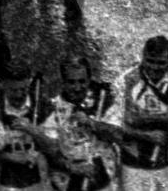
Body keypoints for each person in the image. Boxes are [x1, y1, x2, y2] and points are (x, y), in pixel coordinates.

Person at [108, 36, 168, 191]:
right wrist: (146, 135)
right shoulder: (125, 81)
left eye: (161, 63)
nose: (155, 67)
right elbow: (113, 126)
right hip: (134, 166)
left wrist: (143, 120)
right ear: (142, 57)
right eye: (150, 61)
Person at [38, 55, 116, 191]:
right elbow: (50, 152)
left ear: (89, 80)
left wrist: (92, 123)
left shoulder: (104, 102)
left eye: (82, 81)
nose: (77, 87)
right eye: (71, 82)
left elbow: (120, 135)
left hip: (103, 183)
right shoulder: (52, 110)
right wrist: (74, 168)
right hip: (67, 184)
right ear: (63, 82)